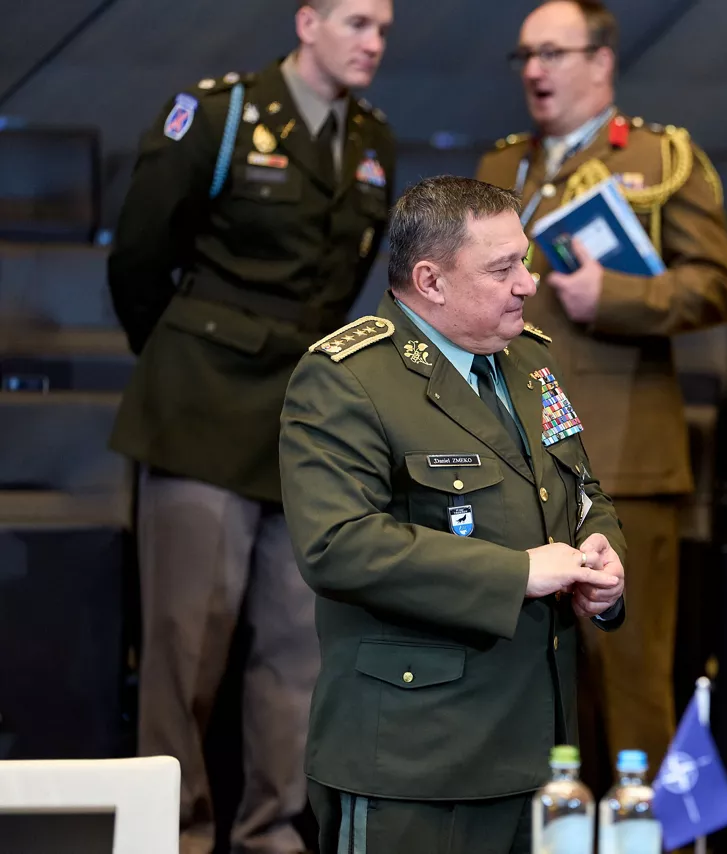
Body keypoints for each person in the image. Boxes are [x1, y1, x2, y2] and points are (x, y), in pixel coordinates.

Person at [105, 1, 395, 851]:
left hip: (305, 421)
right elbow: (138, 254)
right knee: (185, 651)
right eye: (355, 23)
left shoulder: (370, 138)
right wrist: (184, 355)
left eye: (382, 28)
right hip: (201, 406)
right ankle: (175, 834)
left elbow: (338, 285)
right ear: (307, 23)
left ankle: (272, 832)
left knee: (297, 652)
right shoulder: (226, 109)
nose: (373, 42)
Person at [279, 176, 627, 854]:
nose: (528, 284)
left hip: (540, 750)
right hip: (417, 760)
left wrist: (603, 554)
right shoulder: (347, 377)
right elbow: (337, 545)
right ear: (430, 280)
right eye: (503, 269)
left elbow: (582, 492)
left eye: (523, 261)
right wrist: (515, 572)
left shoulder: (529, 360)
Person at [475, 0, 727, 786]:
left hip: (624, 457)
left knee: (630, 682)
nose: (535, 70)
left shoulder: (662, 160)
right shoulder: (498, 170)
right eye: (525, 55)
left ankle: (650, 838)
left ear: (601, 61)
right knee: (522, 681)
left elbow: (719, 286)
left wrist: (617, 296)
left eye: (553, 53)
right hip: (508, 457)